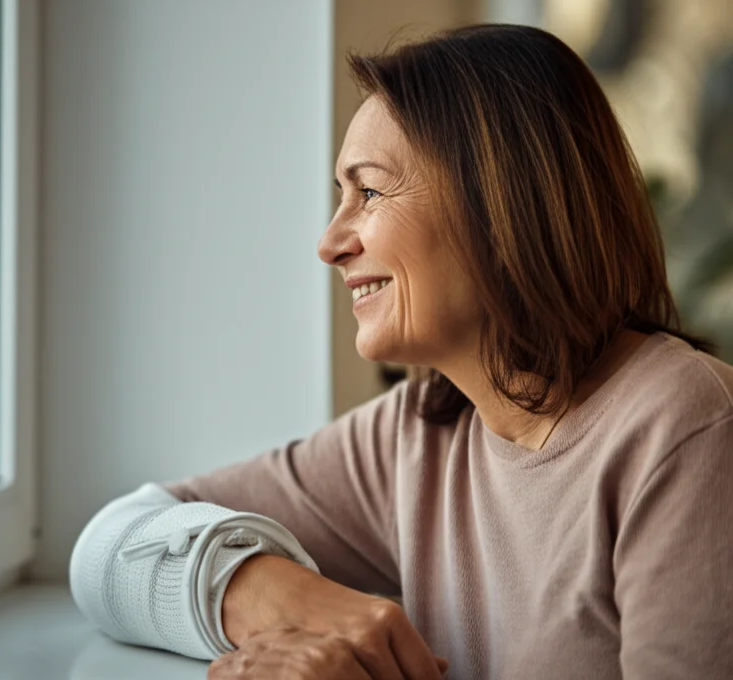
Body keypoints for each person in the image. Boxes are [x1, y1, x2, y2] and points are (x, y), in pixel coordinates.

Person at [69, 23, 733, 680]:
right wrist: (266, 594)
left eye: (370, 191)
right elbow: (109, 546)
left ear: (499, 200)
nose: (329, 244)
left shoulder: (687, 428)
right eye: (341, 197)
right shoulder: (417, 437)